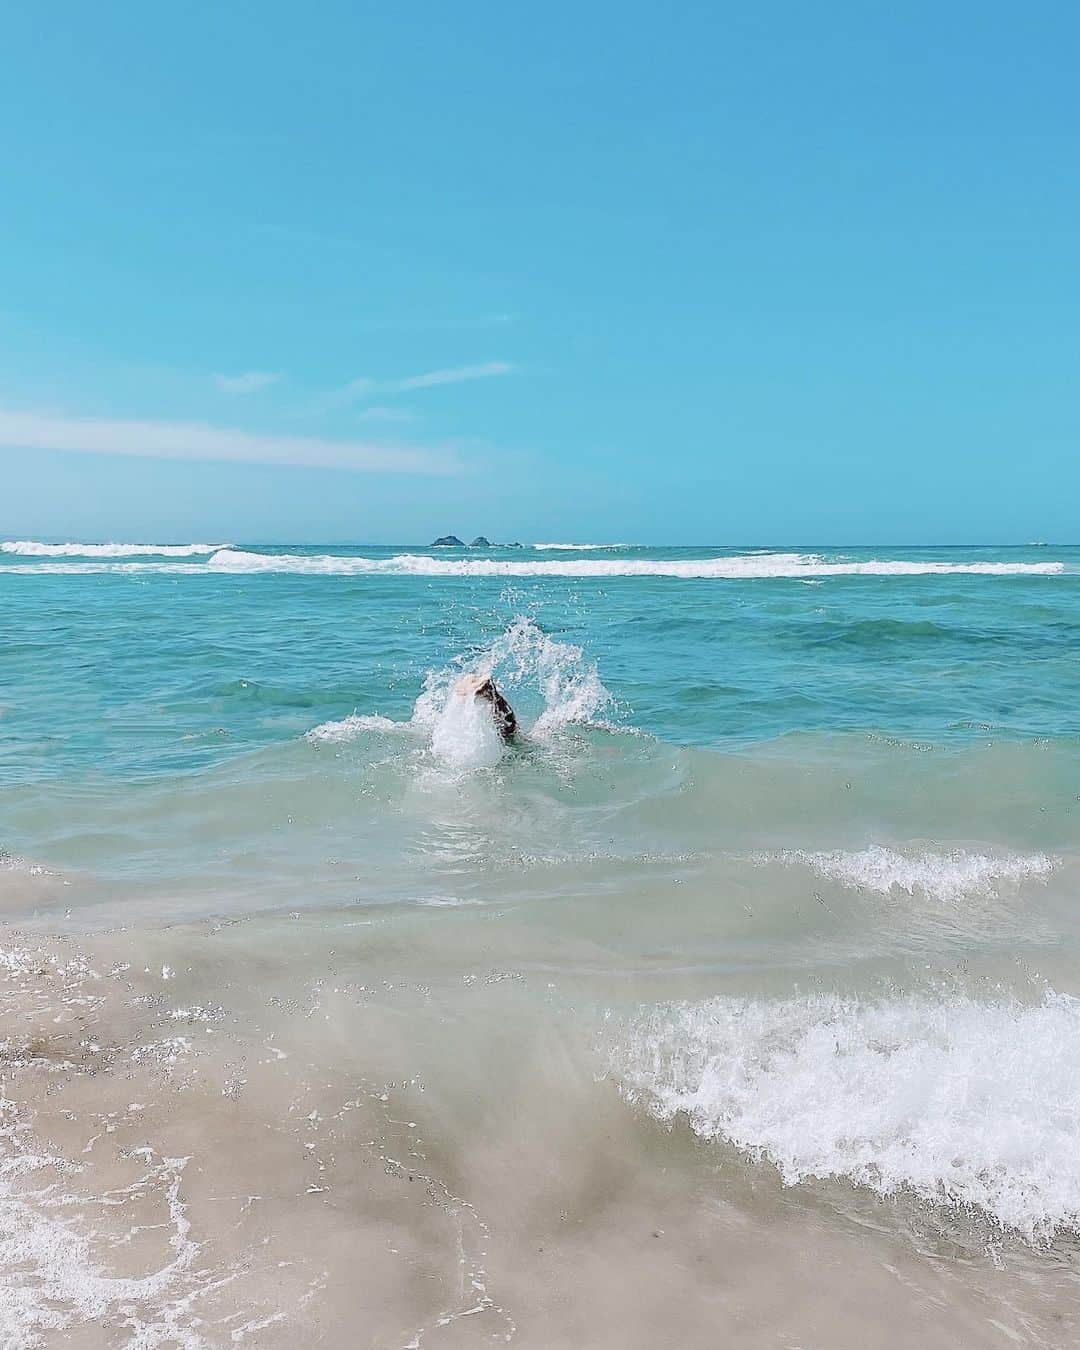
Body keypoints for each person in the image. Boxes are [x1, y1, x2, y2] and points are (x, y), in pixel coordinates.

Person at [451, 672, 517, 742]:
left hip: (506, 723)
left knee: (508, 728)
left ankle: (479, 687)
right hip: (506, 723)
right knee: (509, 729)